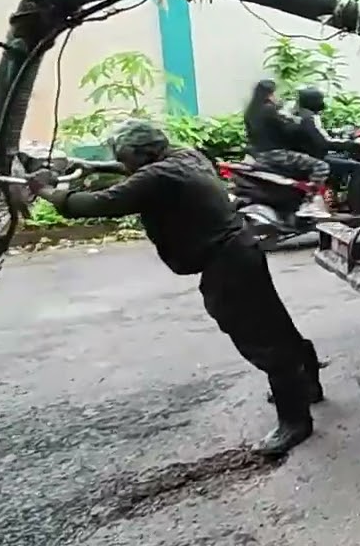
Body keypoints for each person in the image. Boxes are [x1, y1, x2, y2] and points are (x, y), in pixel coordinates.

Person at [25, 120, 324, 457]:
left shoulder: (156, 178)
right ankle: (308, 385)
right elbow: (140, 174)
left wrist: (47, 191)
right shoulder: (187, 156)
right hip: (241, 249)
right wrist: (95, 165)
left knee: (261, 340)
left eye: (123, 156)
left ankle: (295, 422)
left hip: (225, 263)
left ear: (141, 154)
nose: (121, 162)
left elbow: (96, 204)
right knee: (274, 323)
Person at [243, 79, 331, 217]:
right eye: (274, 94)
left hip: (258, 154)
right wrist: (301, 123)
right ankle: (311, 203)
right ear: (269, 94)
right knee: (321, 166)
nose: (276, 97)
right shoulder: (269, 109)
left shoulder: (250, 111)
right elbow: (287, 131)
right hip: (275, 154)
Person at [291, 87, 360, 214]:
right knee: (357, 167)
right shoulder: (310, 118)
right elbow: (325, 142)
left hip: (306, 155)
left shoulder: (299, 115)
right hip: (316, 157)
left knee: (344, 159)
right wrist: (354, 144)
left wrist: (340, 135)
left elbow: (318, 136)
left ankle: (337, 201)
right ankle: (357, 210)